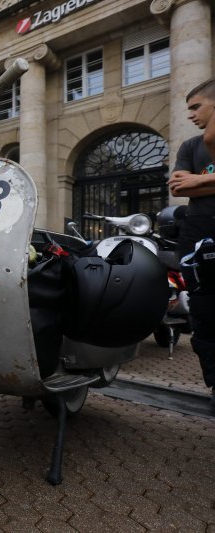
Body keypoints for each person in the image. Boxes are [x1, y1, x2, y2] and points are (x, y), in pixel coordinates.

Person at [167, 78, 215, 412]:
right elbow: (178, 188)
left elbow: (191, 184)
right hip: (198, 244)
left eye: (196, 106)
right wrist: (199, 182)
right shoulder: (189, 147)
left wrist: (200, 180)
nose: (190, 114)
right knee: (205, 319)